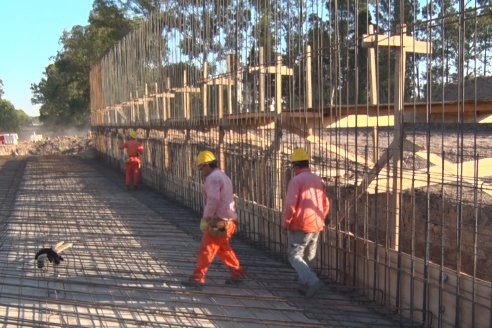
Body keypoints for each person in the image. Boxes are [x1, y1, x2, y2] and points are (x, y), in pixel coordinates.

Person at [182, 150, 245, 288]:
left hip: (220, 222)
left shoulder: (213, 178)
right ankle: (237, 273)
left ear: (206, 165)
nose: (200, 171)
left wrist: (206, 218)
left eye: (200, 168)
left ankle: (198, 278)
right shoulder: (223, 176)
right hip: (230, 221)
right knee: (223, 249)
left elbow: (213, 199)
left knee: (207, 248)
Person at [283, 148, 330, 298]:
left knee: (294, 255)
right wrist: (320, 219)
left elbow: (291, 205)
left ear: (295, 165)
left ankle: (312, 281)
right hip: (317, 223)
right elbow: (325, 204)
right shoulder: (318, 180)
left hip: (301, 225)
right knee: (309, 256)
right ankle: (305, 284)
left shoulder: (296, 181)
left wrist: (285, 223)